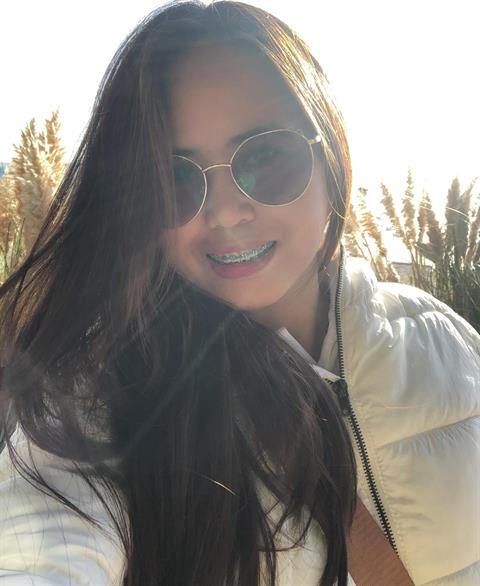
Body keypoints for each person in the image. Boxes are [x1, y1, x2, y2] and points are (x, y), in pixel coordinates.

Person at [0, 1, 478, 585]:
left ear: (330, 153)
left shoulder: (444, 341)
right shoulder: (101, 396)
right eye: (174, 179)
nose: (226, 212)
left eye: (266, 155)